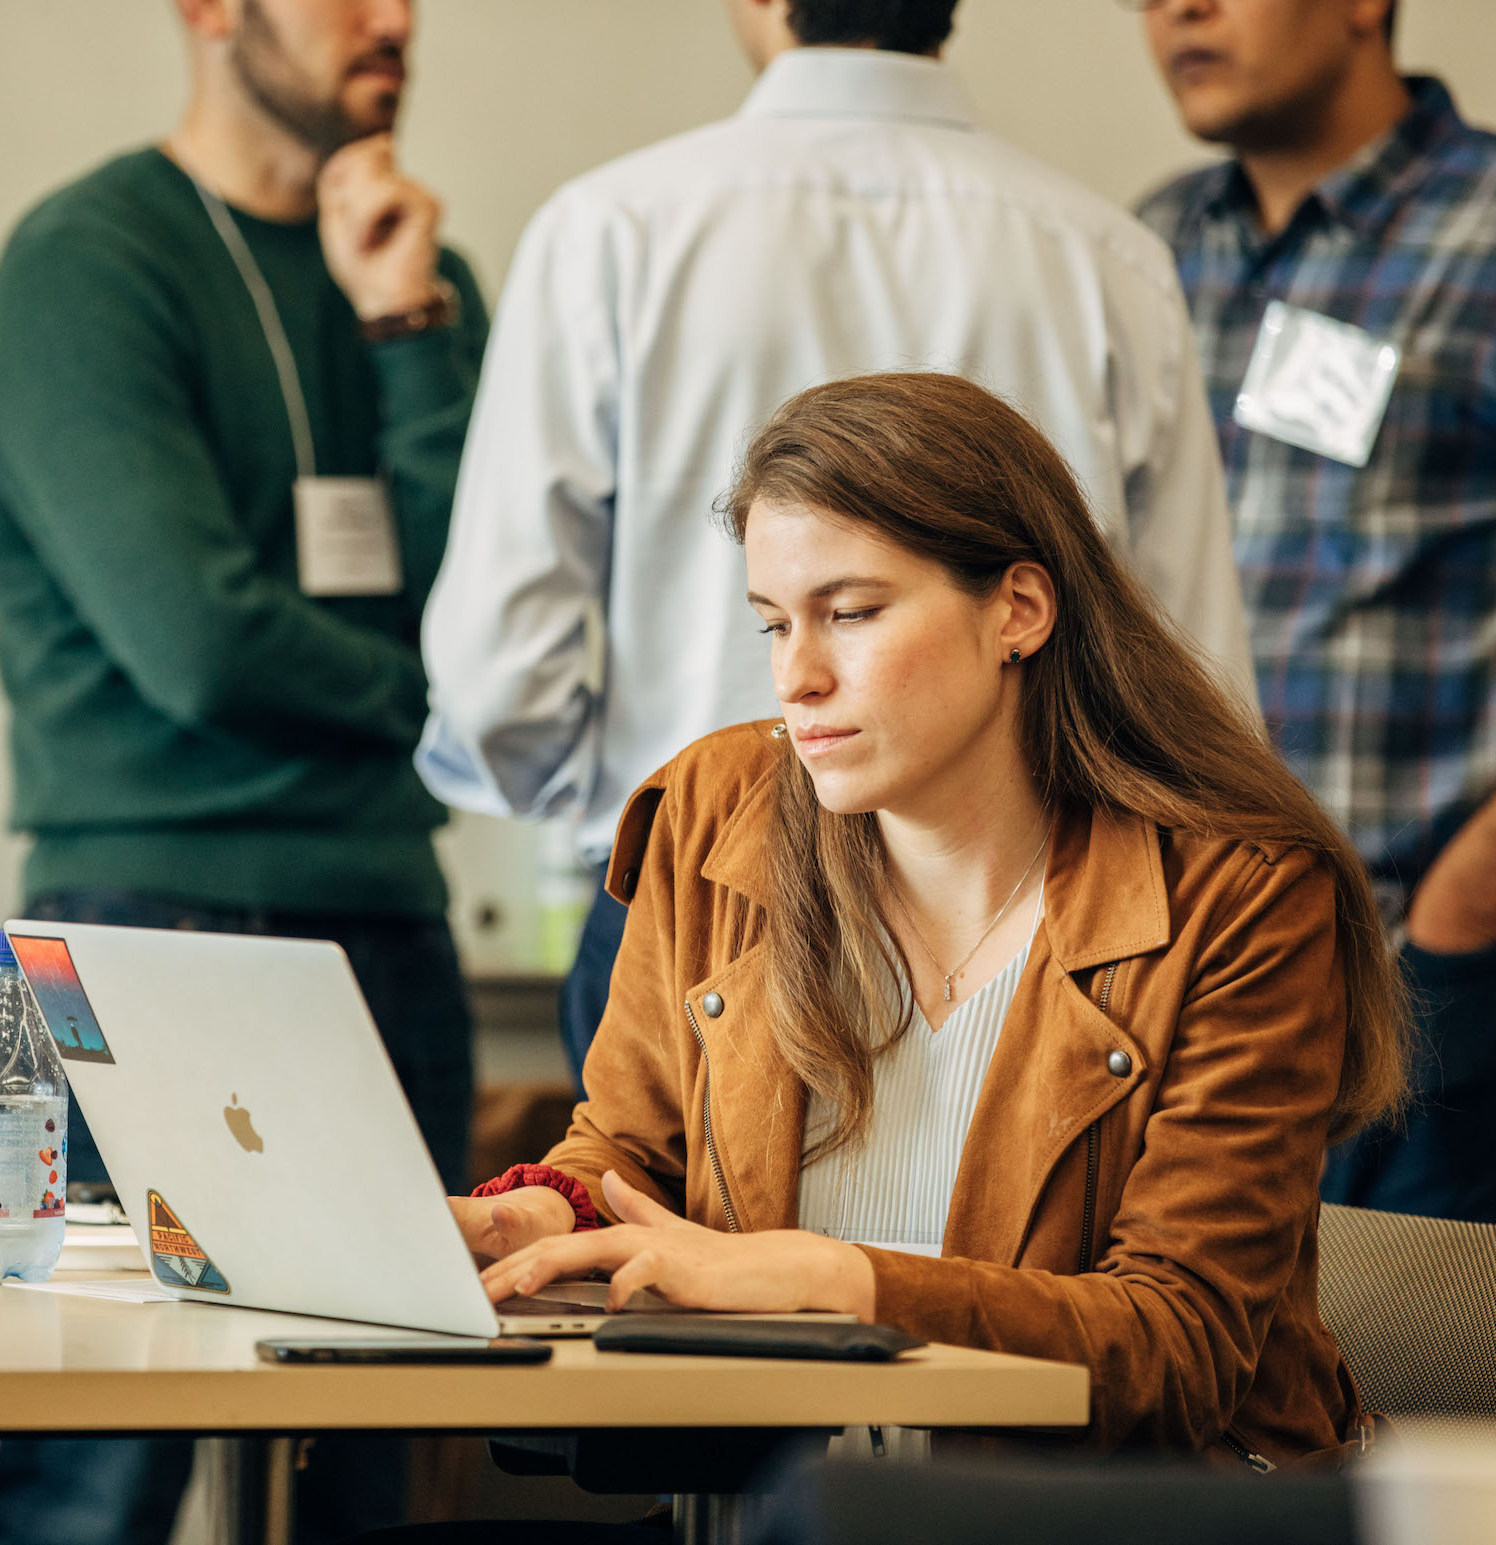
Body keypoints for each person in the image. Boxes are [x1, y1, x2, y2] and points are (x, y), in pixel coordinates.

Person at [451, 373, 1409, 1467]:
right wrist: (542, 1220)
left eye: (850, 614)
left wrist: (830, 1281)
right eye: (773, 624)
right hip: (766, 1509)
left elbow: (1176, 1348)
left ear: (1017, 610)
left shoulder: (1237, 893)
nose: (797, 677)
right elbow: (629, 1154)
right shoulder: (719, 813)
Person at [416, 0, 1256, 1092]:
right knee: (1006, 1262)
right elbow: (1189, 675)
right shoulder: (1111, 260)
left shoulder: (610, 230)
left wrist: (629, 811)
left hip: (699, 908)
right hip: (1037, 923)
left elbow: (494, 687)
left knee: (666, 1257)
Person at [0, 0, 485, 1538]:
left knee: (369, 1462)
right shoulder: (91, 262)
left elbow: (499, 611)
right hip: (139, 939)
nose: (392, 18)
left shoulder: (427, 277)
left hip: (388, 932)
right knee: (96, 1473)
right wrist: (437, 703)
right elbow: (194, 642)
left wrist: (405, 333)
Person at [1132, 0, 1496, 1226]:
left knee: (1426, 1400)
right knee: (1192, 1398)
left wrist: (1480, 883)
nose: (1173, 13)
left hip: (1438, 973)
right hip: (1183, 974)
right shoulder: (1150, 247)